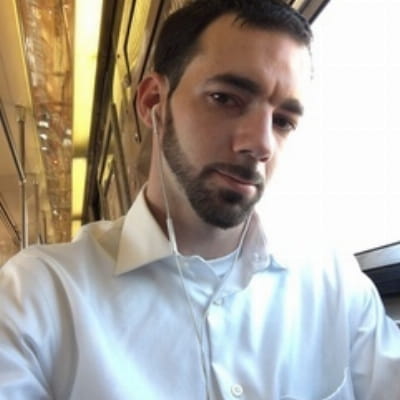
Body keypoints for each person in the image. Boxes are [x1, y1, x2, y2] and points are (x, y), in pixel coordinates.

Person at [1, 0, 399, 398]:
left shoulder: (335, 285)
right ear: (153, 102)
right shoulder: (40, 294)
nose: (261, 144)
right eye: (225, 99)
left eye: (283, 121)